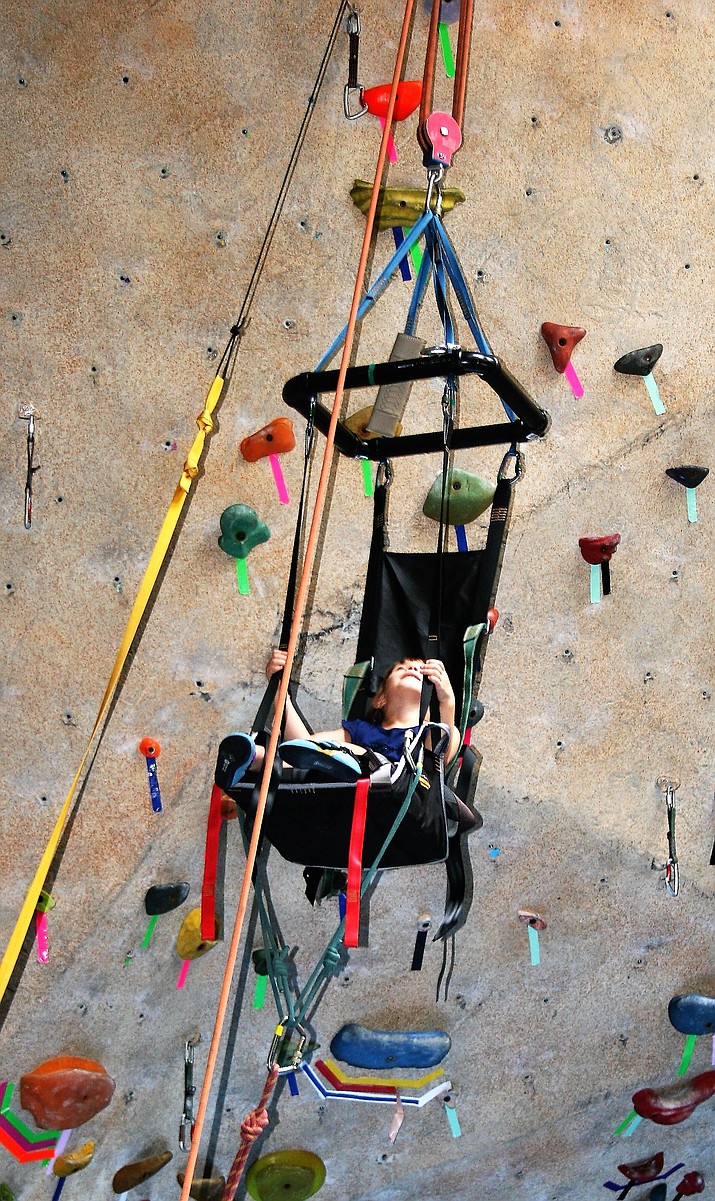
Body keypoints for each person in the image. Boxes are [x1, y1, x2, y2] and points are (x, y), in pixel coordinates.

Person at [220, 649, 461, 785]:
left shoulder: (430, 733)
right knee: (307, 753)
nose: (412, 669)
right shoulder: (360, 731)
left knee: (343, 754)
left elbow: (434, 763)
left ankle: (336, 758)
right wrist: (280, 693)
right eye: (402, 668)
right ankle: (248, 757)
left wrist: (446, 703)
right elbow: (303, 744)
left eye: (421, 670)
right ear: (381, 699)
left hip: (395, 794)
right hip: (343, 792)